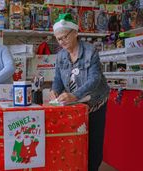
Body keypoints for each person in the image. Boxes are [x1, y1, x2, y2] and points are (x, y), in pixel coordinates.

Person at [49, 13, 110, 171]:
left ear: (75, 32)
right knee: (75, 140)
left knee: (93, 143)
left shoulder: (90, 52)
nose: (62, 42)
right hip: (74, 105)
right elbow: (58, 78)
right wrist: (54, 90)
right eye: (58, 39)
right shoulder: (61, 55)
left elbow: (94, 79)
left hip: (95, 103)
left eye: (64, 37)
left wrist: (74, 95)